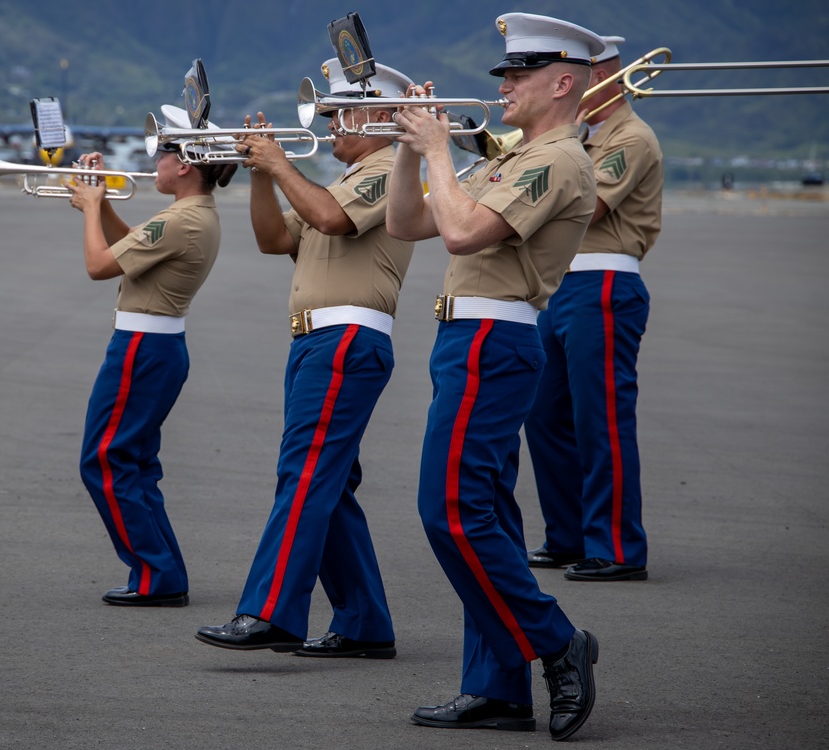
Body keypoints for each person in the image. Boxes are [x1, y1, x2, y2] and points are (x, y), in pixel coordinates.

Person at [385, 12, 604, 741]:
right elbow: (405, 223)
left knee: (449, 508)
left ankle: (556, 640)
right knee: (486, 513)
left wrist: (442, 150)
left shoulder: (559, 159)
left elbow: (463, 232)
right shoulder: (513, 156)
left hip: (493, 336)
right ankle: (497, 686)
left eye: (518, 74)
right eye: (505, 74)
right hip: (467, 337)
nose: (504, 85)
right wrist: (409, 149)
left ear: (563, 82)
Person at [195, 59, 416, 658]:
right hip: (317, 341)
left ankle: (269, 611)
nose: (331, 124)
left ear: (381, 116)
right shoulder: (342, 181)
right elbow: (274, 238)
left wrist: (280, 163)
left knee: (305, 476)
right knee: (329, 483)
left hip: (345, 338)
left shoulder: (388, 169)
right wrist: (261, 175)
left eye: (342, 113)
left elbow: (330, 219)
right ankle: (365, 624)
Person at [66, 111, 236, 606]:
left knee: (103, 460)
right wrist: (93, 207)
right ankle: (161, 572)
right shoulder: (190, 215)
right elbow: (128, 247)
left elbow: (99, 265)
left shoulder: (182, 219)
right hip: (155, 347)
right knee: (134, 462)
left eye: (163, 153)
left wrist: (96, 204)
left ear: (185, 165)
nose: (155, 161)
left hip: (142, 349)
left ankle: (155, 574)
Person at [524, 35, 663, 582]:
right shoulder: (585, 136)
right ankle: (569, 535)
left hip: (603, 283)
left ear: (600, 77)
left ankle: (617, 546)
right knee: (543, 415)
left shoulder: (631, 137)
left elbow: (590, 204)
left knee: (600, 419)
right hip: (558, 285)